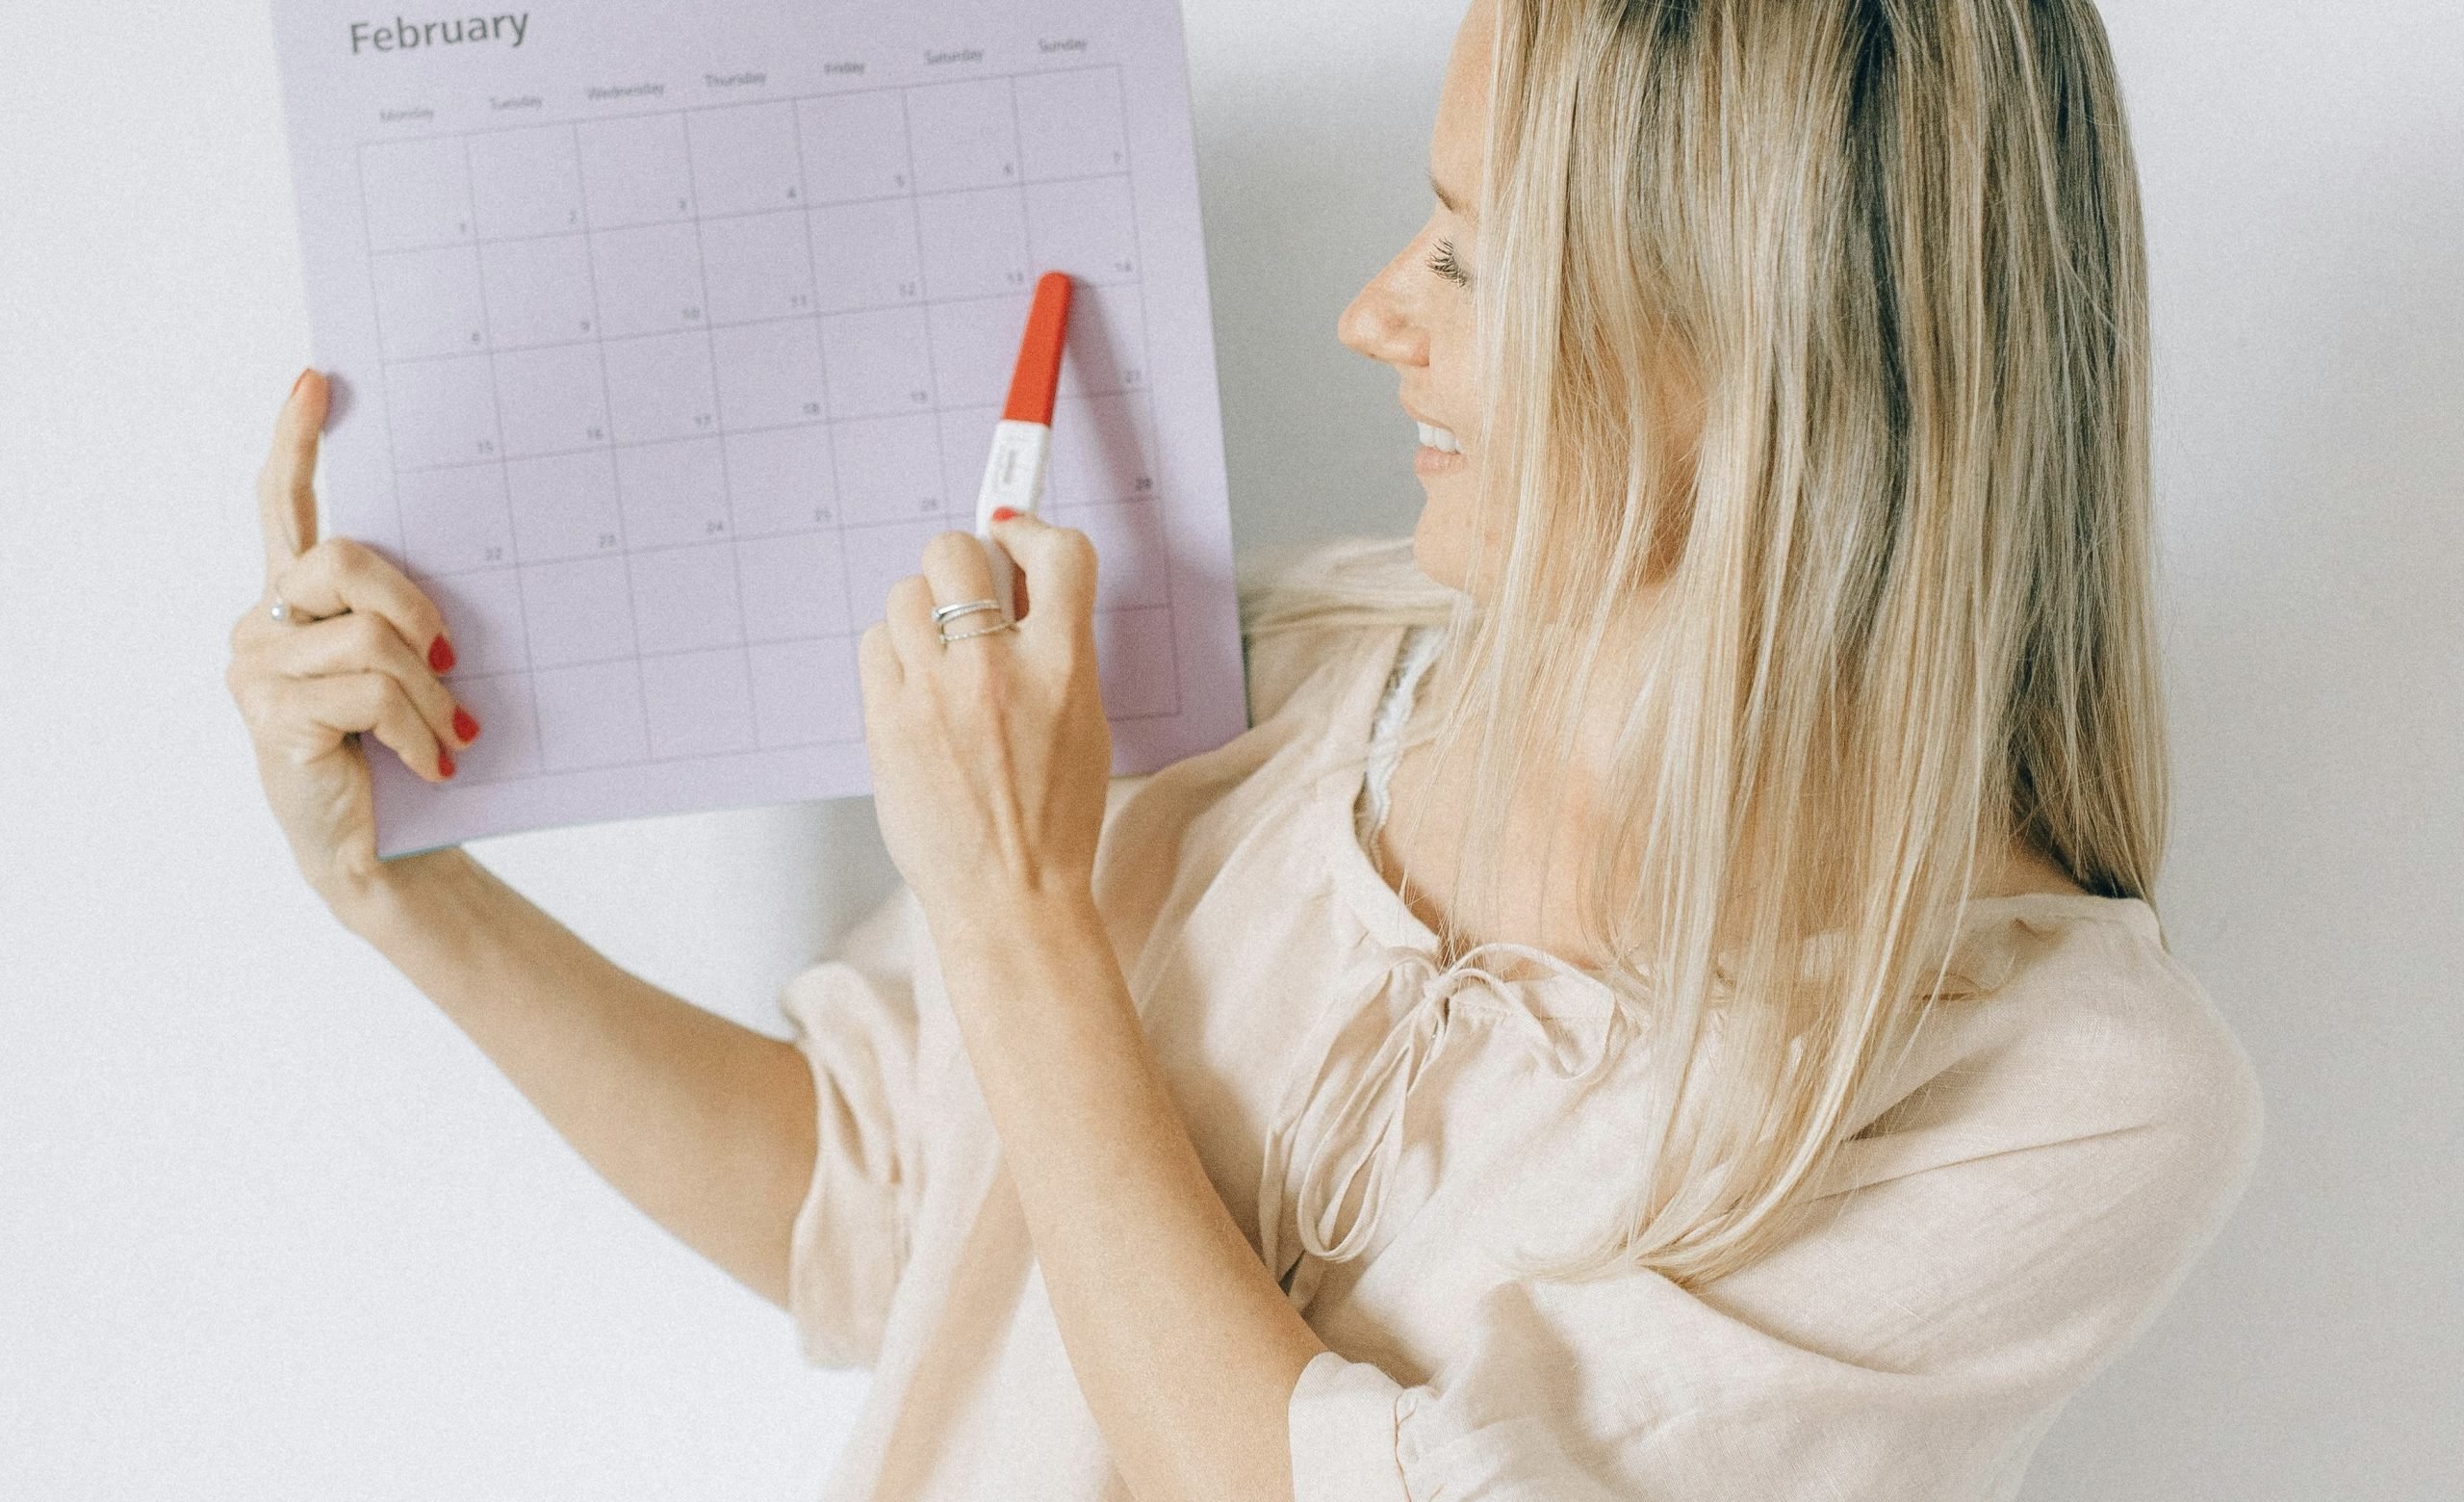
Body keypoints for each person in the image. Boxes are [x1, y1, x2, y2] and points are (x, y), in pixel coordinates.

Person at [221, 0, 2264, 1495]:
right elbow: (872, 1207)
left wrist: (1018, 917)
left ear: (1750, 345)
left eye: (1469, 248)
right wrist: (397, 889)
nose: (1375, 313)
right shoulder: (1277, 678)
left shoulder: (2054, 1093)